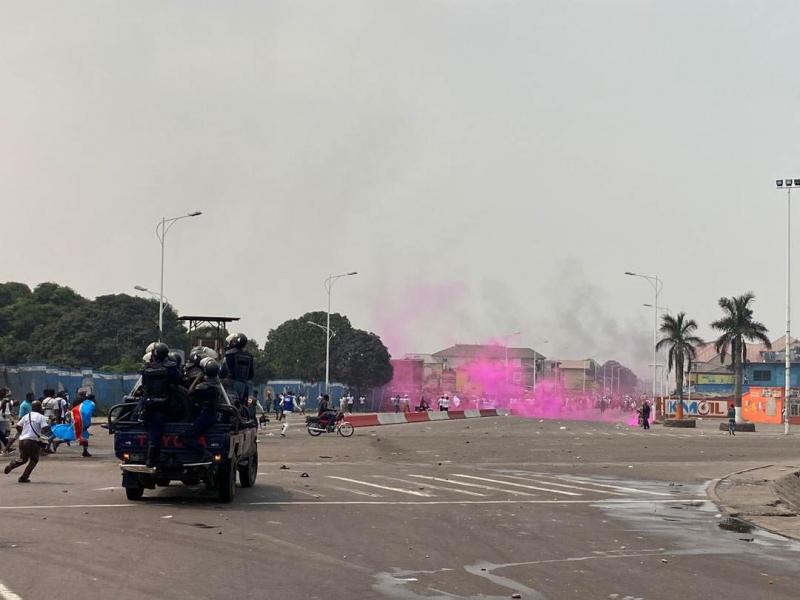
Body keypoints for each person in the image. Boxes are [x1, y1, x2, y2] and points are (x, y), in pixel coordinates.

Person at [140, 342, 181, 468]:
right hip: (166, 406)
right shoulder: (171, 366)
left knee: (146, 421)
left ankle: (150, 457)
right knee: (156, 430)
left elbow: (144, 385)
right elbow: (177, 381)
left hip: (149, 404)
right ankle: (151, 458)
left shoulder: (147, 368)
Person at [180, 358, 222, 460]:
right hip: (212, 415)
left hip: (204, 416)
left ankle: (204, 453)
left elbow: (189, 392)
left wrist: (198, 377)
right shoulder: (217, 386)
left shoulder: (202, 387)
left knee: (185, 437)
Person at [4, 400, 50, 483]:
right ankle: (24, 477)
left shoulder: (26, 416)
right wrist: (49, 424)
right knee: (34, 460)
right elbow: (45, 428)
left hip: (22, 440)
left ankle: (12, 465)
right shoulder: (41, 417)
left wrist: (24, 433)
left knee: (23, 459)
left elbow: (18, 426)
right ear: (39, 408)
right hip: (31, 441)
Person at [222, 332, 255, 405]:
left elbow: (223, 372)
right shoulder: (249, 356)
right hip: (244, 385)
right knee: (244, 404)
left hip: (231, 385)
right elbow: (251, 374)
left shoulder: (229, 355)